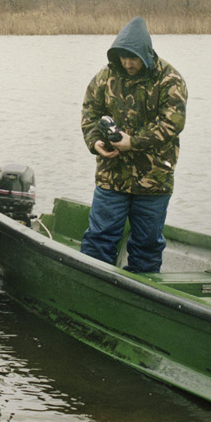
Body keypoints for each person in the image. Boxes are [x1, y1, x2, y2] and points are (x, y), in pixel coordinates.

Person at [79, 16, 187, 273]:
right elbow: (90, 115)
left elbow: (173, 123)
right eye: (123, 57)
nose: (128, 63)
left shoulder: (170, 80)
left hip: (153, 178)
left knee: (147, 244)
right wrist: (95, 143)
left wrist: (134, 142)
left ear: (146, 54)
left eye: (134, 57)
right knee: (99, 238)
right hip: (112, 173)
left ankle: (143, 294)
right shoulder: (105, 77)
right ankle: (92, 287)